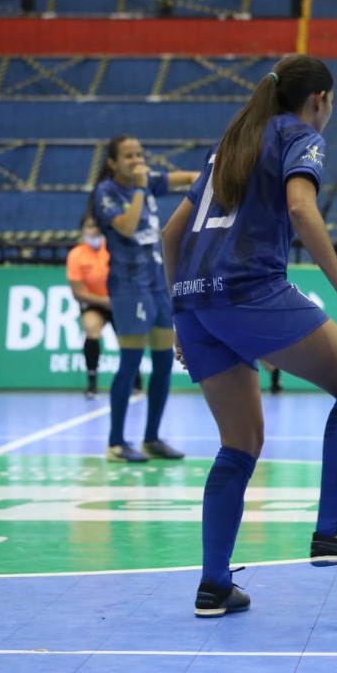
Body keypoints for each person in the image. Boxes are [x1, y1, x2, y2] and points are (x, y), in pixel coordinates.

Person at [160, 54, 337, 618]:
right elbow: (301, 206)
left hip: (196, 302)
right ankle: (332, 530)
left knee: (239, 444)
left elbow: (173, 232)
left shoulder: (234, 141)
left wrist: (181, 315)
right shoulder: (300, 135)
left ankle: (214, 585)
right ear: (319, 98)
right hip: (248, 289)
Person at [91, 136, 199, 462]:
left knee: (165, 361)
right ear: (113, 162)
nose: (137, 160)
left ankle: (152, 438)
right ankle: (115, 443)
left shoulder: (150, 181)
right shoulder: (106, 193)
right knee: (130, 361)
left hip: (156, 284)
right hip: (129, 287)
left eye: (139, 154)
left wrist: (213, 180)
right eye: (129, 155)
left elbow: (192, 178)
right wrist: (140, 188)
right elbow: (125, 227)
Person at [66, 212, 113, 399]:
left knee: (130, 337)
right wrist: (103, 302)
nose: (93, 231)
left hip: (118, 300)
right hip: (95, 302)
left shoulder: (114, 250)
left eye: (96, 226)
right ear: (82, 230)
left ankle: (135, 379)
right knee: (91, 327)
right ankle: (92, 382)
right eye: (89, 226)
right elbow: (77, 293)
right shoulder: (76, 255)